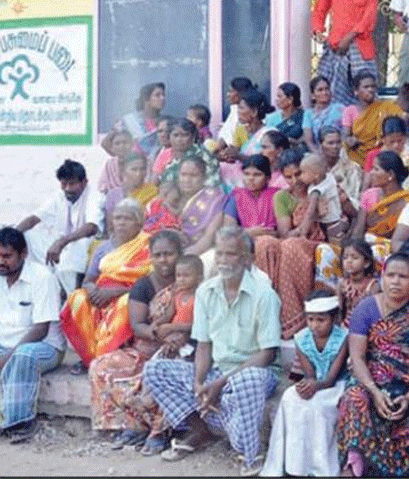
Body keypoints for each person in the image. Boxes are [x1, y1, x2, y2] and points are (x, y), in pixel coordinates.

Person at [144, 227, 281, 477]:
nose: (223, 261)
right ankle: (201, 429)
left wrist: (220, 383)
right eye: (220, 254)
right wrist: (199, 382)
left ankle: (251, 455)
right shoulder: (206, 291)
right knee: (154, 369)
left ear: (247, 258)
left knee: (247, 382)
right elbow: (204, 344)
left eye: (231, 254)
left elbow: (268, 354)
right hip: (216, 373)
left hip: (252, 373)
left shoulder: (265, 295)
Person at [336, 252, 409, 477]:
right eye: (390, 274)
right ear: (382, 276)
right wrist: (374, 391)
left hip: (407, 388)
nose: (395, 281)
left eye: (403, 276)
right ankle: (352, 467)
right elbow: (357, 358)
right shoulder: (366, 309)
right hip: (368, 380)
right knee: (355, 398)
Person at [86, 230, 183, 454]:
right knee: (100, 366)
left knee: (164, 372)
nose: (163, 260)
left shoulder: (189, 280)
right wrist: (160, 334)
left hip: (180, 349)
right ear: (150, 257)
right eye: (157, 255)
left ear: (179, 254)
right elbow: (138, 325)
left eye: (168, 254)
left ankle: (160, 431)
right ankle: (133, 426)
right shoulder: (144, 285)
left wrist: (176, 337)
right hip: (146, 347)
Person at [261, 291, 349, 477]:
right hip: (315, 383)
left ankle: (320, 467)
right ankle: (295, 465)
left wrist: (315, 386)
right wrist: (306, 386)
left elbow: (331, 378)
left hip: (336, 386)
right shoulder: (302, 338)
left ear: (333, 318)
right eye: (310, 319)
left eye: (320, 320)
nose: (314, 325)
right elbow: (309, 374)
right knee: (290, 398)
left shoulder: (343, 338)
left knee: (318, 407)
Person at [60, 200, 151, 373]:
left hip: (131, 294)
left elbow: (151, 282)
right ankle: (89, 356)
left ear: (139, 223)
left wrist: (116, 292)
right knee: (77, 298)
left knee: (125, 302)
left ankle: (104, 356)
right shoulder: (103, 248)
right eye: (117, 218)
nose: (121, 222)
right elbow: (88, 280)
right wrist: (93, 290)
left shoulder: (147, 245)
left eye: (127, 218)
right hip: (100, 294)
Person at [0, 227, 65, 443]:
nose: (1, 261)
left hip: (45, 347)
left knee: (23, 356)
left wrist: (6, 357)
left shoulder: (42, 277)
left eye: (6, 256)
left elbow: (41, 329)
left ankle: (19, 422)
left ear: (24, 253)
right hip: (5, 344)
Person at [253, 150, 327, 340]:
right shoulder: (282, 197)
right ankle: (268, 315)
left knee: (291, 247)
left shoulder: (321, 189)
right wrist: (303, 224)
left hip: (316, 241)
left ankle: (295, 319)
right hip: (294, 238)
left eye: (298, 174)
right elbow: (285, 232)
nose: (295, 181)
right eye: (289, 177)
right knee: (264, 243)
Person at [316, 150, 409, 293]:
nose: (370, 173)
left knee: (377, 250)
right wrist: (354, 250)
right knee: (323, 250)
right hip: (364, 246)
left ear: (390, 175)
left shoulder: (408, 202)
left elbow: (399, 238)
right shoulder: (370, 195)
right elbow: (358, 231)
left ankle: (371, 294)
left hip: (385, 248)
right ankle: (330, 296)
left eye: (376, 169)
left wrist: (372, 242)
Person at [18, 159, 103, 296]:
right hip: (62, 245)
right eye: (64, 184)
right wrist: (10, 236)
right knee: (26, 237)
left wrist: (62, 242)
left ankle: (70, 298)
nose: (67, 188)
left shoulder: (94, 196)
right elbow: (35, 217)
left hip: (85, 245)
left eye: (72, 184)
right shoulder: (60, 195)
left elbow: (91, 227)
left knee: (75, 249)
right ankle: (42, 285)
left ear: (84, 183)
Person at [312, 0, 378, 106]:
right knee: (331, 91)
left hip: (361, 45)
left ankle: (366, 125)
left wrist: (350, 36)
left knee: (366, 89)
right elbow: (319, 10)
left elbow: (369, 16)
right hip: (336, 46)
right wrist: (318, 30)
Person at [341, 71, 405, 166]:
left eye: (373, 87)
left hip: (382, 153)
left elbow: (402, 117)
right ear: (356, 91)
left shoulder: (385, 107)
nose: (370, 90)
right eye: (366, 87)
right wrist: (350, 140)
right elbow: (345, 135)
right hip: (357, 155)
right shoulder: (350, 110)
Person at [363, 116, 409, 194]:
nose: (396, 145)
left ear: (406, 138)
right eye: (392, 142)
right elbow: (366, 186)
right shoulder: (374, 155)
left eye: (400, 141)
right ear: (383, 139)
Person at [222, 154, 279, 240]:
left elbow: (284, 230)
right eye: (246, 174)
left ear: (268, 178)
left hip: (273, 242)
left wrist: (268, 234)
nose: (251, 178)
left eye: (257, 175)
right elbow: (229, 231)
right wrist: (249, 232)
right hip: (243, 243)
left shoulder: (276, 195)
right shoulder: (236, 197)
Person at [105, 82, 166, 160]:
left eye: (163, 95)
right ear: (146, 99)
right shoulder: (128, 121)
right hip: (135, 168)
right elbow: (106, 144)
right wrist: (123, 159)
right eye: (157, 95)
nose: (162, 98)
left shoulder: (164, 122)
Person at [155, 118, 221, 189]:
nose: (179, 139)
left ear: (193, 138)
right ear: (169, 137)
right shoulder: (172, 161)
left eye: (184, 135)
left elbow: (212, 185)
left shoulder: (204, 157)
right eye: (175, 135)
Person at [104, 152, 158, 236]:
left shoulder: (154, 192)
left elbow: (155, 221)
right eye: (134, 169)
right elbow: (110, 226)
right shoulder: (113, 194)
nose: (139, 173)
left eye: (142, 169)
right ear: (123, 171)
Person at [299, 153, 345, 242]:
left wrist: (303, 232)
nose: (300, 176)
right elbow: (337, 178)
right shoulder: (329, 177)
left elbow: (310, 213)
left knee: (334, 246)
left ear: (315, 175)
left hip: (329, 224)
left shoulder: (316, 191)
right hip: (338, 218)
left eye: (303, 172)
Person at [337, 239, 380, 326]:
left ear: (366, 263)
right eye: (345, 257)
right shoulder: (342, 284)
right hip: (346, 325)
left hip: (366, 325)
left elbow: (374, 313)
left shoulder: (373, 285)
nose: (349, 261)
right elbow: (339, 310)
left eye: (355, 258)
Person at [265, 82, 313, 149]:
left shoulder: (305, 115)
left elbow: (308, 138)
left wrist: (296, 142)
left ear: (290, 99)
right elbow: (268, 139)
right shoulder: (271, 118)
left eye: (279, 96)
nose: (276, 99)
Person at [305, 75, 345, 145]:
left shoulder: (340, 108)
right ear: (313, 95)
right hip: (318, 152)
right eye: (320, 90)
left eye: (327, 89)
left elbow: (346, 134)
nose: (324, 93)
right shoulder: (308, 113)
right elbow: (309, 141)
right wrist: (318, 154)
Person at [216, 77, 256, 145]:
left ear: (240, 93)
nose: (228, 95)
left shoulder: (244, 112)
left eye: (231, 91)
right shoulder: (234, 110)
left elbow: (231, 140)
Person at [98, 129, 134, 194]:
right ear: (112, 147)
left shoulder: (140, 161)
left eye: (125, 142)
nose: (122, 146)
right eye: (117, 143)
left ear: (132, 144)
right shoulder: (109, 164)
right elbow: (103, 187)